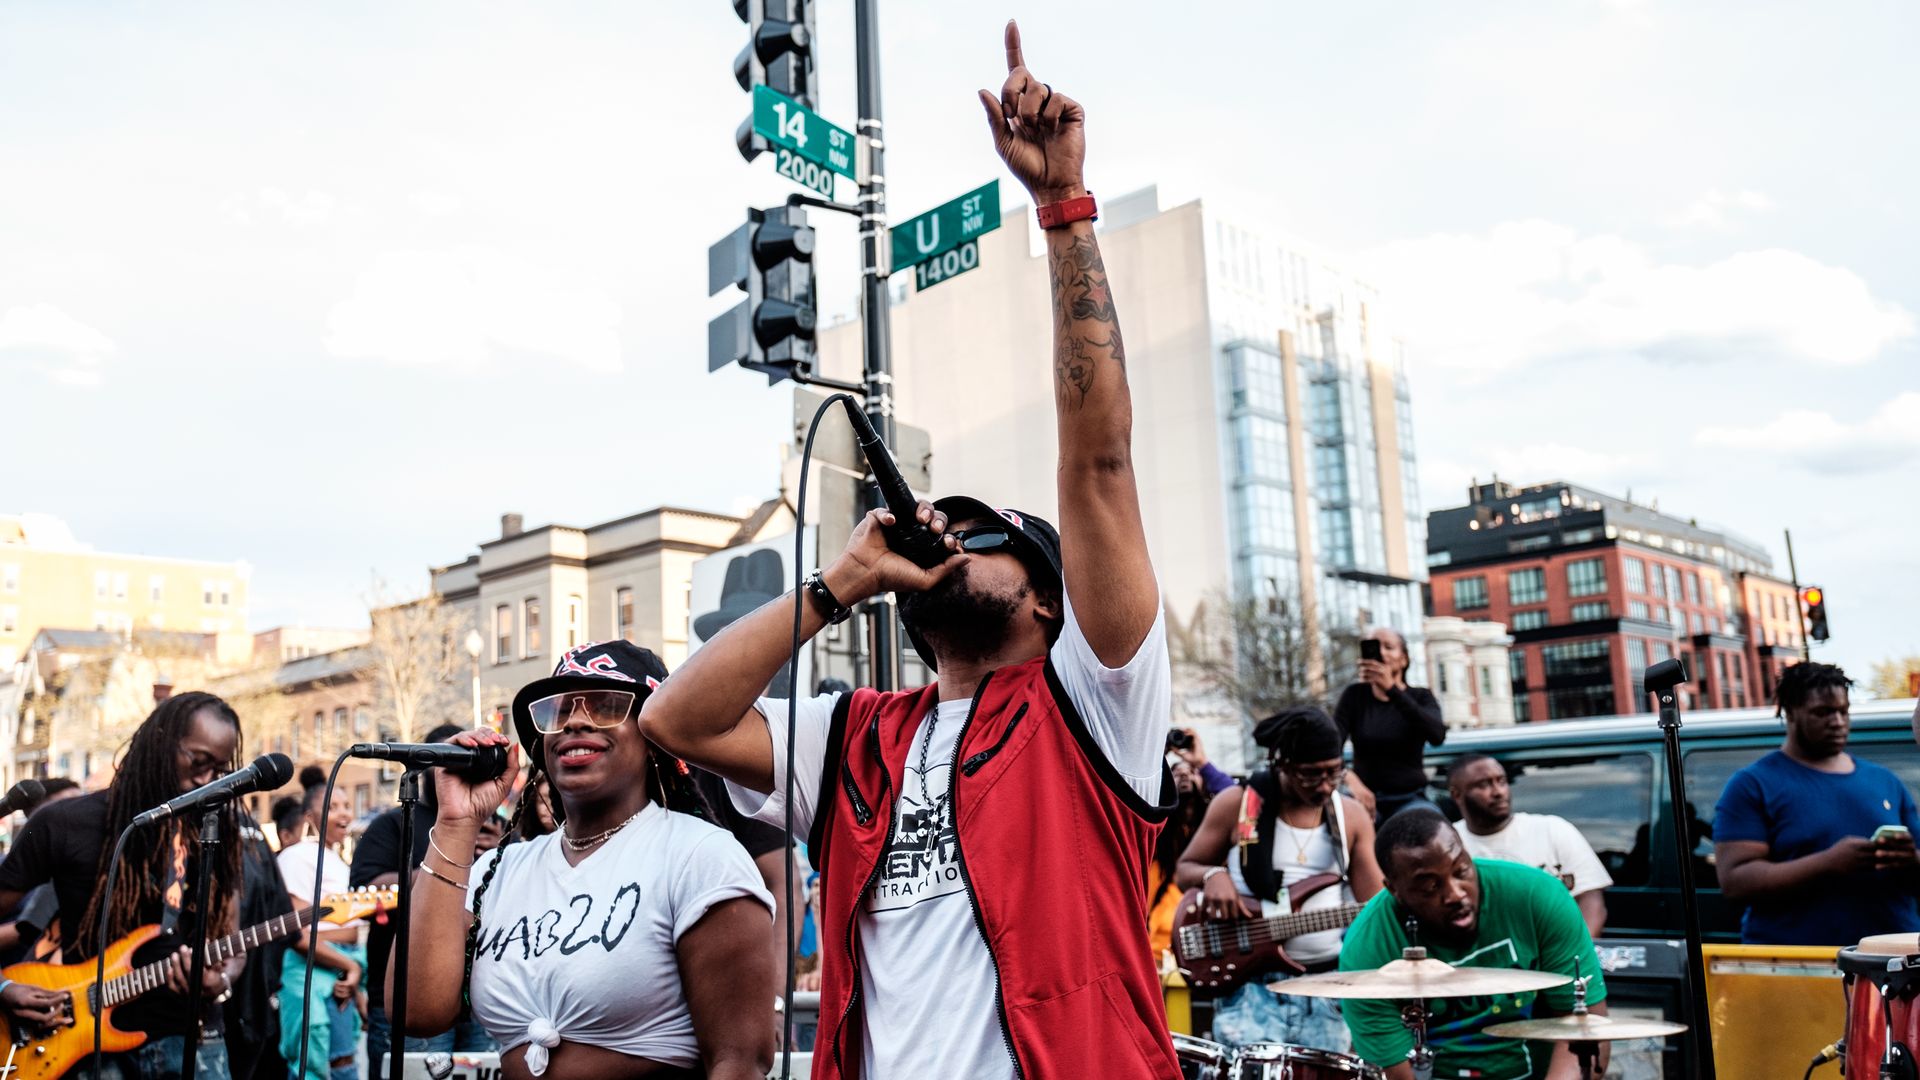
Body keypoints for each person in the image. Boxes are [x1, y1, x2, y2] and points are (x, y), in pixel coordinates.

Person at [642, 24, 1180, 1080]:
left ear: (1049, 605)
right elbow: (675, 719)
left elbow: (1101, 465)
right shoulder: (855, 738)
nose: (949, 541)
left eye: (985, 541)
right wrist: (835, 586)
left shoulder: (1094, 698)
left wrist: (1063, 210)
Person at [398, 640, 775, 1080]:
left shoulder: (699, 856)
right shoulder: (497, 872)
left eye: (606, 706)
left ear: (654, 736)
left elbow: (740, 1063)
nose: (576, 720)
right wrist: (454, 824)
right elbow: (415, 1011)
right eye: (558, 711)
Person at [0, 691, 250, 1079]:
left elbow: (233, 942)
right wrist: (2, 988)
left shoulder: (218, 830)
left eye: (219, 769)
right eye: (198, 761)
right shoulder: (63, 823)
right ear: (159, 742)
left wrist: (220, 981)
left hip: (193, 1043)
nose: (206, 779)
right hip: (85, 1044)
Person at [1339, 811, 1609, 1080]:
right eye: (1431, 887)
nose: (1456, 894)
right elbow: (1396, 1073)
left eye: (1462, 871)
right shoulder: (1367, 946)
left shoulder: (1536, 897)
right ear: (1393, 889)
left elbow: (1586, 1035)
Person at [1175, 706, 1383, 1050]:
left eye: (1334, 772)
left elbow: (1374, 909)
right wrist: (1212, 875)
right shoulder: (1238, 804)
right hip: (1249, 985)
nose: (1325, 785)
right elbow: (1186, 869)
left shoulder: (1350, 816)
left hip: (1326, 982)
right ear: (1281, 765)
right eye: (1311, 774)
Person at [1714, 662, 1920, 945]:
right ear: (1791, 713)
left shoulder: (1884, 780)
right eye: (1822, 712)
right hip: (1800, 964)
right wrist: (1828, 863)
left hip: (1889, 962)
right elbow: (1735, 881)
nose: (1837, 721)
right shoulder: (1753, 784)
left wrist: (1910, 860)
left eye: (1843, 711)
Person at [349, 722, 497, 1078]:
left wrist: (499, 854)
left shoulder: (491, 820)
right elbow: (363, 891)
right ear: (430, 764)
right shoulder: (393, 823)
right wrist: (444, 868)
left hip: (482, 997)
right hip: (412, 992)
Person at [1448, 753, 1611, 938]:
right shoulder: (1448, 843)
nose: (1498, 792)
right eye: (1484, 785)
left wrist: (1578, 957)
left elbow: (1591, 901)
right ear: (1456, 794)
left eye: (1501, 781)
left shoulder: (1552, 829)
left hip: (1553, 955)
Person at [278, 781, 365, 1080]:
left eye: (346, 805)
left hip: (337, 974)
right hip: (316, 974)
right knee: (330, 1066)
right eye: (332, 807)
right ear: (309, 818)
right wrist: (350, 964)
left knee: (343, 1060)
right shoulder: (299, 857)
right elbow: (297, 933)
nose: (343, 814)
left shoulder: (337, 860)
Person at [1334, 627, 1444, 821]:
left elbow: (1436, 735)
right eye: (1374, 647)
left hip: (1410, 798)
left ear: (1404, 659)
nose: (1382, 653)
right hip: (1363, 798)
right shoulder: (1354, 696)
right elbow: (1331, 745)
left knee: (1426, 827)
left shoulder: (1420, 696)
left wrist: (1392, 690)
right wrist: (1350, 780)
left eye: (1388, 647)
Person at [1146, 753, 1213, 959]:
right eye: (1176, 773)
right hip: (1159, 945)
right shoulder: (1157, 828)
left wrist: (1203, 765)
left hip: (1204, 935)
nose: (1185, 776)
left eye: (1192, 772)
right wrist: (1158, 753)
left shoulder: (1215, 824)